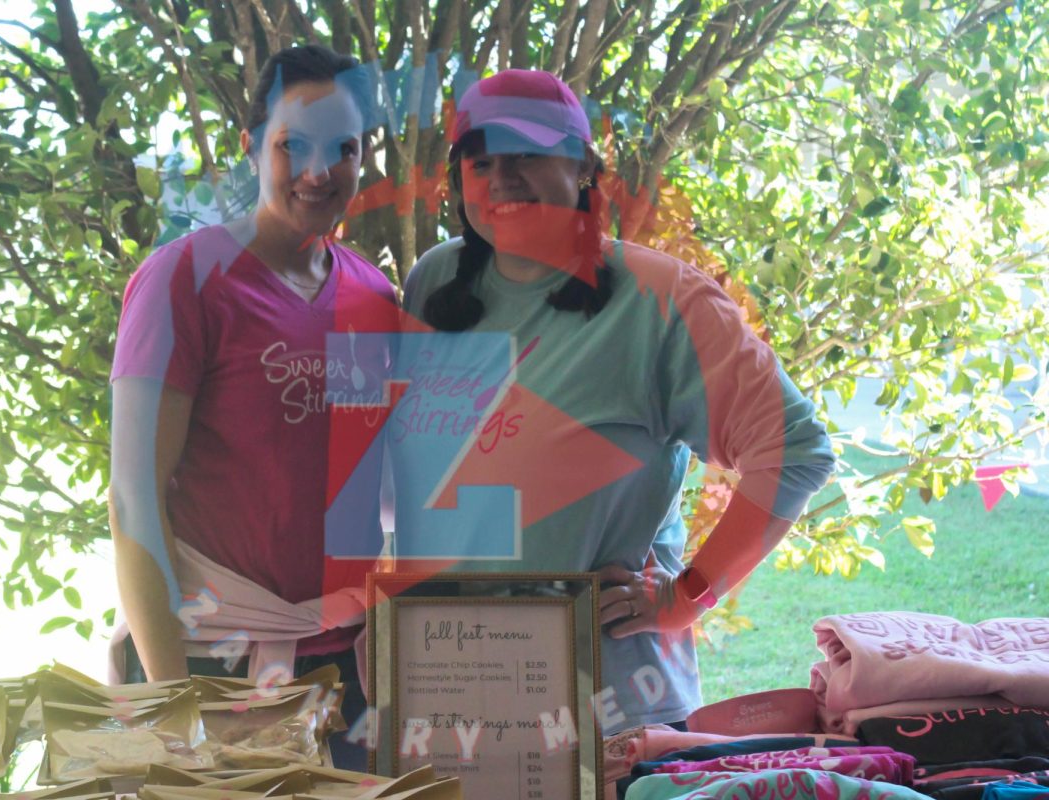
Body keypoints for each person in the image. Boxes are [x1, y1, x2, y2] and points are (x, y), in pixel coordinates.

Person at [389, 69, 836, 731]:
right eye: (481, 161)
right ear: (458, 182)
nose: (503, 179)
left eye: (529, 155)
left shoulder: (659, 299)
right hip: (452, 696)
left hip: (610, 714)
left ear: (582, 169)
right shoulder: (433, 283)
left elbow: (796, 451)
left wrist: (687, 596)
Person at [107, 44, 395, 768]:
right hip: (208, 663)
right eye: (291, 144)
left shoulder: (376, 297)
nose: (317, 171)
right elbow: (132, 495)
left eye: (344, 147)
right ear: (249, 148)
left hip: (349, 671)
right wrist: (171, 707)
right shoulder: (184, 279)